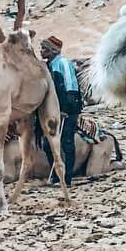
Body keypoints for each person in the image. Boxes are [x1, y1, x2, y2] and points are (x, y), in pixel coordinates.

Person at [41, 36, 81, 186]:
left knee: (67, 142)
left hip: (67, 110)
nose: (41, 51)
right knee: (47, 144)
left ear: (53, 50)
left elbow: (71, 88)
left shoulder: (64, 64)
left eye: (44, 48)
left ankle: (68, 178)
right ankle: (57, 175)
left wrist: (66, 109)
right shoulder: (47, 66)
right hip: (52, 110)